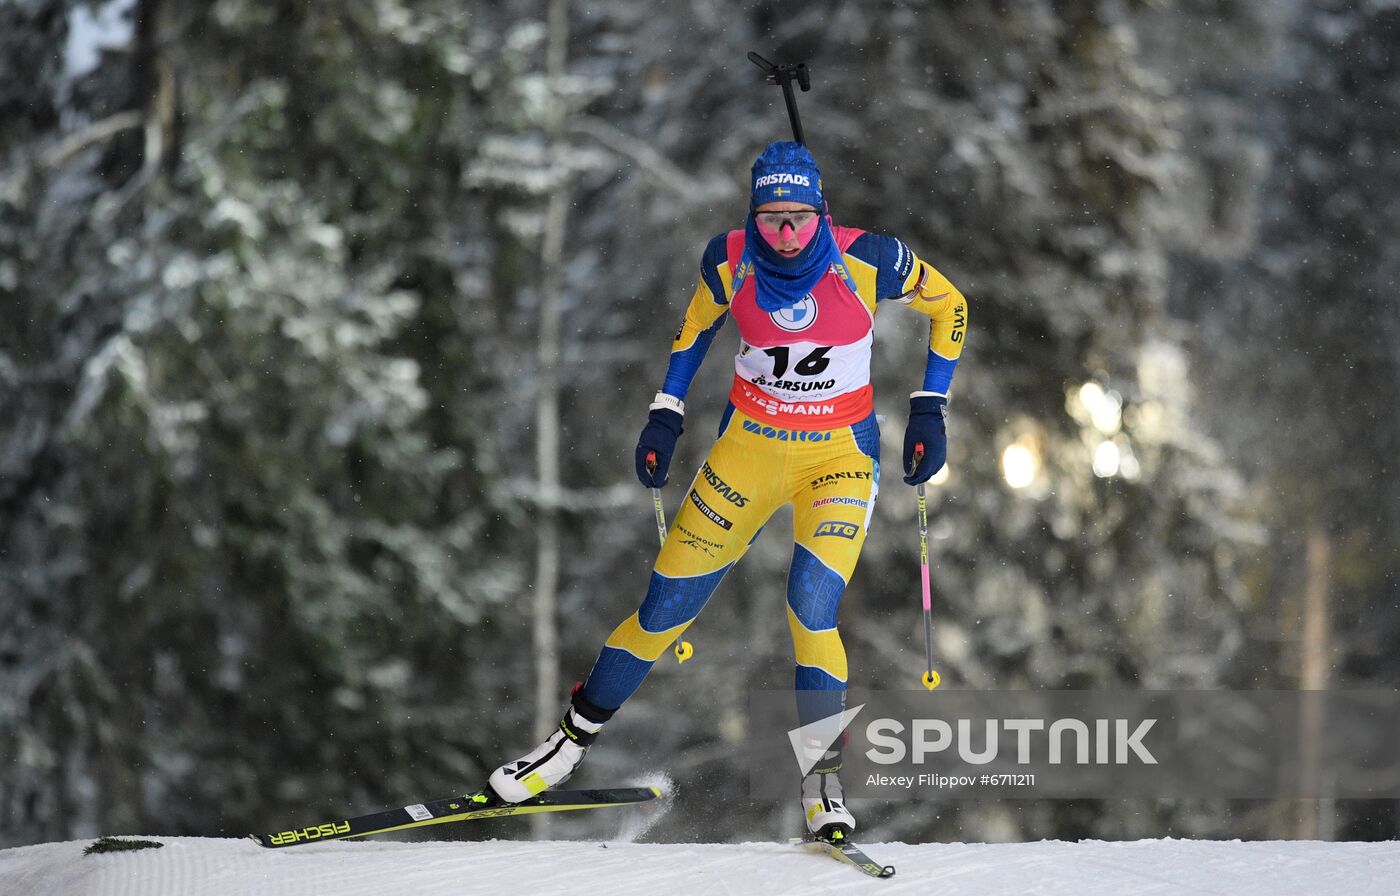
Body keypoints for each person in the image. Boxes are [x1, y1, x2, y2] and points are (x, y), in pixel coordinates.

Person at [488, 141, 968, 839]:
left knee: (811, 606)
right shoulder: (729, 259)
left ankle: (823, 782)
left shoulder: (871, 258)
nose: (786, 233)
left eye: (799, 218)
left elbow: (952, 306)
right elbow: (694, 330)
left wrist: (930, 405)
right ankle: (565, 746)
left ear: (821, 211)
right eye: (771, 218)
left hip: (838, 458)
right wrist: (666, 411)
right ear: (753, 213)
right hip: (749, 450)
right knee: (663, 608)